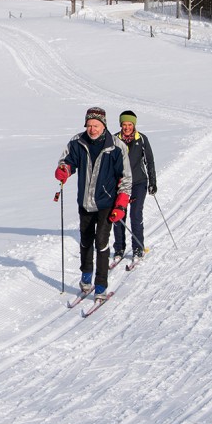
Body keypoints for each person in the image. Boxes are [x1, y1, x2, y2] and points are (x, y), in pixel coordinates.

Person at [52, 106, 133, 296]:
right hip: (85, 202)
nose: (92, 129)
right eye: (89, 125)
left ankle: (101, 286)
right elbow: (67, 161)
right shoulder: (77, 142)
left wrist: (121, 204)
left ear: (103, 125)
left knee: (101, 242)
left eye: (96, 125)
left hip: (107, 203)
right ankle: (86, 275)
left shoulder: (116, 146)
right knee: (86, 241)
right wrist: (64, 170)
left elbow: (126, 178)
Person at [114, 110, 157, 261]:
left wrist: (153, 182)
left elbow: (149, 161)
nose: (127, 127)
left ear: (134, 125)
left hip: (139, 182)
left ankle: (138, 248)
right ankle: (119, 248)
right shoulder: (114, 140)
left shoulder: (142, 139)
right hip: (120, 184)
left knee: (135, 214)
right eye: (124, 124)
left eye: (129, 124)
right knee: (119, 215)